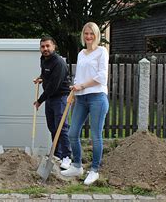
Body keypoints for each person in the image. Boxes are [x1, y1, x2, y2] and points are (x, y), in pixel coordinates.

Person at [60, 22, 109, 185]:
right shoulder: (81, 53)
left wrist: (82, 86)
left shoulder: (102, 51)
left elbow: (102, 77)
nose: (88, 37)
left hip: (97, 98)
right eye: (86, 34)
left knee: (95, 136)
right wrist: (74, 90)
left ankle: (94, 170)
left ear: (97, 35)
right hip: (80, 98)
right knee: (72, 133)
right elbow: (79, 76)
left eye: (92, 34)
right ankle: (77, 165)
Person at [33, 36, 72, 169]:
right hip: (50, 98)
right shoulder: (43, 59)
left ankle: (67, 157)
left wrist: (39, 101)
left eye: (48, 46)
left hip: (61, 97)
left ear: (54, 47)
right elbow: (46, 74)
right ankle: (57, 154)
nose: (45, 49)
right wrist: (41, 78)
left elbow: (54, 86)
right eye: (43, 46)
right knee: (52, 127)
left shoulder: (58, 62)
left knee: (62, 127)